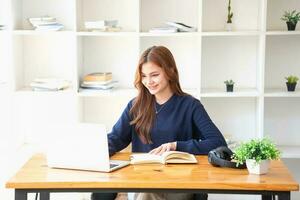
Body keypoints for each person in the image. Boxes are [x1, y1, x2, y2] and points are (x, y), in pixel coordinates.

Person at [91, 46, 227, 200]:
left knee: (148, 192)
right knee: (143, 190)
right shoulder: (135, 106)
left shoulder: (190, 105)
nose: (148, 82)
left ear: (170, 72)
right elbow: (115, 139)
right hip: (143, 179)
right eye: (144, 76)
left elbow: (218, 143)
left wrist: (176, 146)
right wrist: (90, 152)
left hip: (179, 182)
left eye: (154, 75)